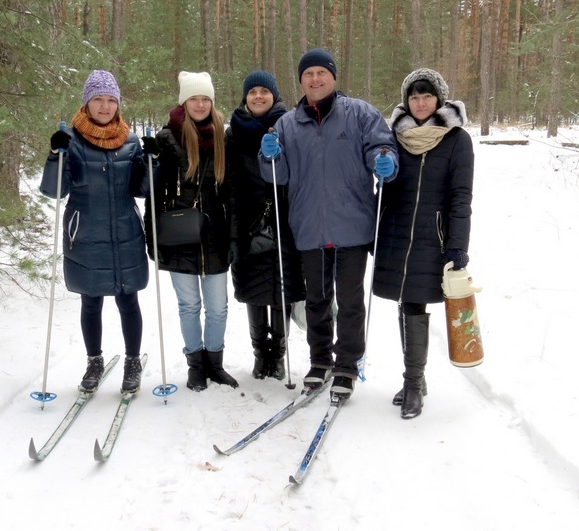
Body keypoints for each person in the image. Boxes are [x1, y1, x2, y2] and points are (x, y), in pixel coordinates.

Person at [259, 48, 398, 400]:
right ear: (301, 80)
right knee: (317, 300)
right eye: (309, 74)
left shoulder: (360, 114)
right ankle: (320, 360)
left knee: (350, 300)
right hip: (309, 225)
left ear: (333, 78)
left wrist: (386, 162)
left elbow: (381, 146)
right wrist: (268, 155)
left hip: (352, 224)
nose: (315, 79)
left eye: (322, 73)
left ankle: (347, 364)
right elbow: (279, 175)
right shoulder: (288, 124)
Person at [40, 69, 153, 394]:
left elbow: (142, 190)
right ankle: (94, 360)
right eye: (98, 100)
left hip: (125, 232)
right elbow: (53, 190)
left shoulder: (130, 140)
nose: (104, 106)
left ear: (117, 104)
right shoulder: (71, 141)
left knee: (127, 299)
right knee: (91, 301)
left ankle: (133, 361)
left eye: (110, 100)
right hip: (85, 234)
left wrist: (151, 161)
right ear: (87, 103)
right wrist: (54, 156)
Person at [372, 68, 474, 419]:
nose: (419, 102)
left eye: (426, 95)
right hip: (397, 234)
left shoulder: (457, 139)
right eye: (413, 96)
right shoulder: (394, 136)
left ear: (439, 100)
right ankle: (416, 379)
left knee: (415, 306)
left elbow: (461, 196)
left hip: (434, 237)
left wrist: (457, 245)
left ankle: (414, 383)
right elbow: (384, 189)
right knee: (404, 304)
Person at [144, 71, 239, 392]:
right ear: (184, 102)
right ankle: (195, 365)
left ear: (212, 102)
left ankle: (215, 364)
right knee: (189, 306)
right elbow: (153, 196)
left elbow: (232, 195)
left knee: (218, 307)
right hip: (178, 236)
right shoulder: (166, 139)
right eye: (194, 98)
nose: (200, 104)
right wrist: (152, 238)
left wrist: (235, 236)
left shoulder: (224, 139)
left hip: (215, 237)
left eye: (205, 98)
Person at [227, 71, 305, 380]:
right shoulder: (233, 134)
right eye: (252, 92)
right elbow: (230, 186)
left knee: (282, 290)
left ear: (275, 95)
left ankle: (279, 354)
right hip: (249, 224)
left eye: (265, 91)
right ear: (245, 97)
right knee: (254, 291)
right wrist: (233, 233)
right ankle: (261, 353)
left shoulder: (289, 127)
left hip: (285, 223)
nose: (258, 96)